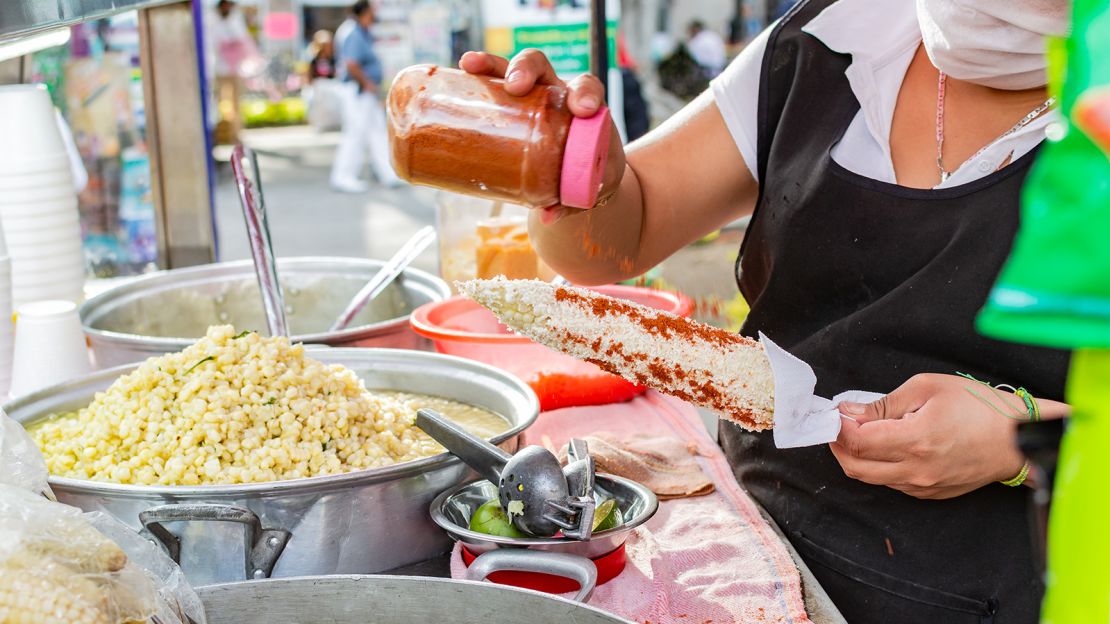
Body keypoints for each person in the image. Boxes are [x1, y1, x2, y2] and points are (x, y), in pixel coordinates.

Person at [458, 0, 1071, 621]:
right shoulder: (832, 36)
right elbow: (623, 235)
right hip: (751, 551)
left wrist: (1023, 441)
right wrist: (579, 174)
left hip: (1005, 586)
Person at [330, 0, 401, 193]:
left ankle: (388, 173)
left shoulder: (361, 31)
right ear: (364, 12)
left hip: (365, 91)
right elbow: (352, 63)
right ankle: (343, 176)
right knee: (355, 132)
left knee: (377, 131)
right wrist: (367, 83)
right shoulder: (352, 32)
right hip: (357, 90)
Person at [210, 0, 254, 145]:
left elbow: (241, 38)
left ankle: (234, 133)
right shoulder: (212, 19)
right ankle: (222, 132)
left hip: (234, 69)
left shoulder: (235, 19)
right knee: (219, 101)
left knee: (234, 102)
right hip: (218, 68)